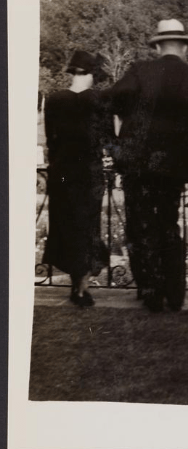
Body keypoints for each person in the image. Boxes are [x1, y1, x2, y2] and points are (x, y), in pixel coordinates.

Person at [110, 19, 188, 312]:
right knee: (169, 224)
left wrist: (116, 146)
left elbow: (107, 103)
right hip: (173, 166)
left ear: (157, 46)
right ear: (185, 46)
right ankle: (174, 292)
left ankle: (151, 290)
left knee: (141, 227)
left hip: (139, 164)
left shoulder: (139, 72)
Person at [43, 50, 112, 307]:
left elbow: (52, 140)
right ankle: (81, 288)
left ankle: (76, 285)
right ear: (90, 74)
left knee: (67, 226)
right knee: (88, 228)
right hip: (89, 173)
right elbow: (108, 139)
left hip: (62, 173)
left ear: (72, 73)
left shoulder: (53, 100)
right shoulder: (100, 100)